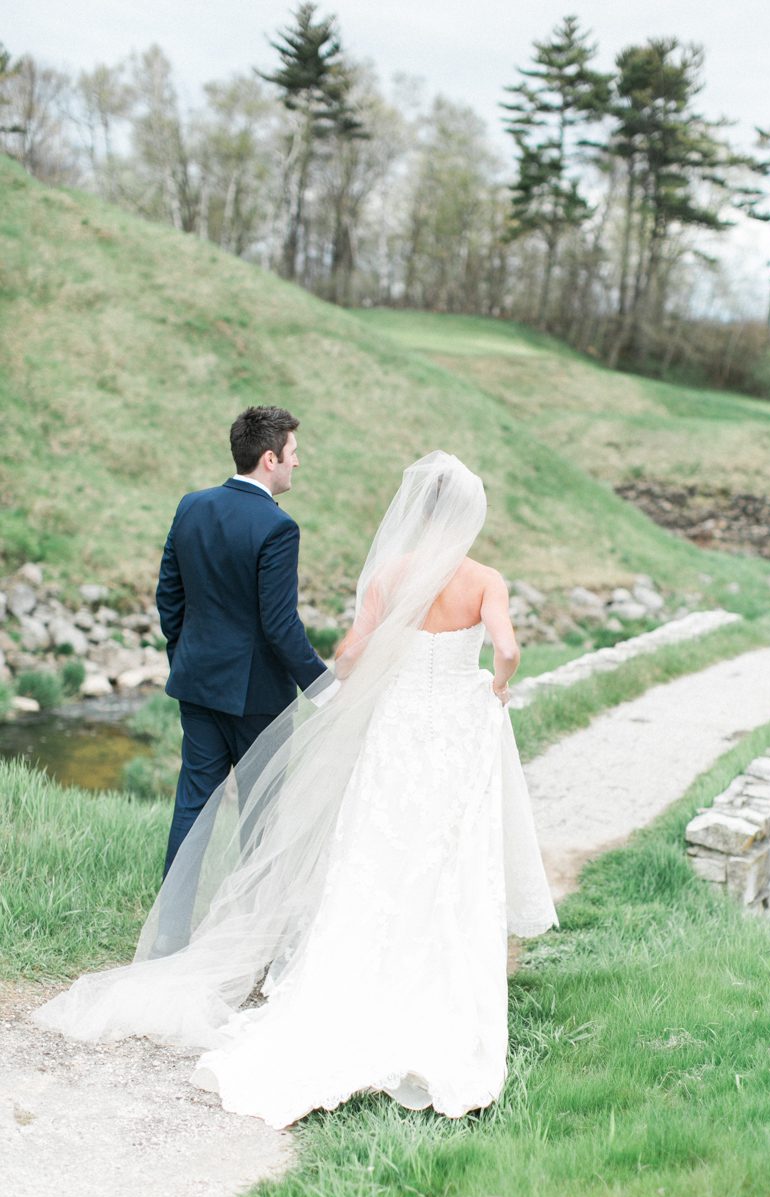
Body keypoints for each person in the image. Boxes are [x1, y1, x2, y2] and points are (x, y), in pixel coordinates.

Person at [32, 451, 557, 1127]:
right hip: (455, 727)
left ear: (417, 512)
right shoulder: (486, 579)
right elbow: (508, 651)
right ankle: (440, 985)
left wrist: (348, 677)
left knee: (376, 842)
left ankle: (325, 972)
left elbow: (350, 652)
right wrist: (496, 685)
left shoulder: (393, 574)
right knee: (451, 852)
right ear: (465, 514)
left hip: (396, 725)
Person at [155, 405, 336, 880]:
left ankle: (169, 935)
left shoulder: (191, 506)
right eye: (293, 453)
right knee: (260, 815)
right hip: (258, 699)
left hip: (196, 684)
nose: (298, 462)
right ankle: (247, 931)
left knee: (193, 809)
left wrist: (184, 657)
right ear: (270, 458)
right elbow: (280, 626)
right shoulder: (278, 527)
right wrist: (326, 689)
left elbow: (168, 598)